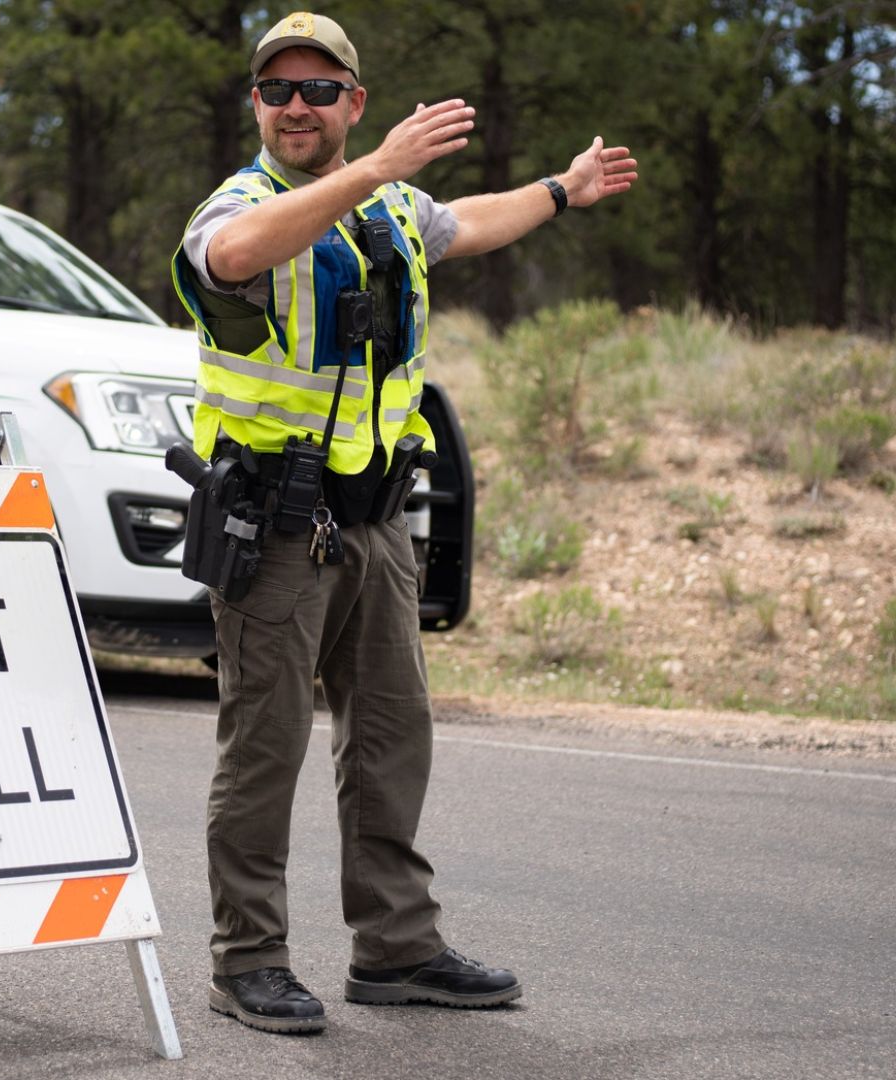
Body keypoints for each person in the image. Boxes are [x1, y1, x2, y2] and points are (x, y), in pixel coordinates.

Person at [170, 11, 638, 1035]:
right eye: (277, 91)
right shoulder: (240, 207)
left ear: (354, 100)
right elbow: (235, 253)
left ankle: (397, 947)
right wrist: (373, 168)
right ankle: (246, 961)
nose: (296, 107)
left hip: (377, 524)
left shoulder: (385, 215)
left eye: (318, 90)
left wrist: (562, 191)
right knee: (266, 749)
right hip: (275, 529)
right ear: (256, 105)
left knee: (389, 741)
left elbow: (467, 221)